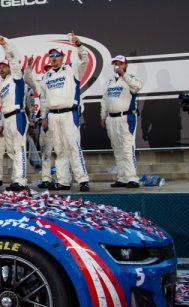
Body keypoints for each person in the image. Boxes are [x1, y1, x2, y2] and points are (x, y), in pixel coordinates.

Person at [0, 36, 38, 191]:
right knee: (10, 150)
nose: (1, 69)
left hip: (18, 116)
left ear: (9, 68)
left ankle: (20, 181)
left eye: (4, 66)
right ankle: (17, 178)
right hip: (7, 119)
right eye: (0, 67)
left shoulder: (16, 78)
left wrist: (5, 46)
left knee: (19, 148)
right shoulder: (2, 84)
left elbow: (14, 61)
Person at [40, 32, 90, 192]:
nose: (53, 58)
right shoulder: (46, 76)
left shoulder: (71, 69)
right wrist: (44, 116)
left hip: (69, 113)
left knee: (73, 146)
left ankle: (83, 180)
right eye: (51, 56)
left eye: (56, 55)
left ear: (62, 58)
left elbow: (85, 60)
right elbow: (44, 99)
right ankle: (63, 181)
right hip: (53, 116)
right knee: (59, 149)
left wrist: (79, 44)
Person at [100, 55, 142, 188]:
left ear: (125, 65)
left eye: (120, 63)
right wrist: (103, 116)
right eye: (115, 63)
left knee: (127, 148)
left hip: (126, 117)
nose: (117, 65)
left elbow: (137, 87)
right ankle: (122, 177)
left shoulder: (131, 78)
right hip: (111, 118)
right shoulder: (109, 82)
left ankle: (132, 178)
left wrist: (124, 75)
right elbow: (104, 101)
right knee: (117, 148)